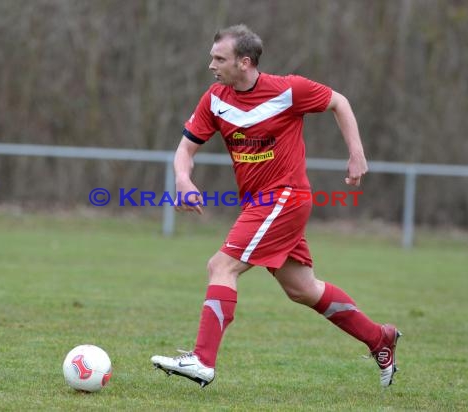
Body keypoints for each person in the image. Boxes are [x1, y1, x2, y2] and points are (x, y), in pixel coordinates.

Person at [151, 24, 401, 388]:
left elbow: (339, 102)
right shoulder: (214, 99)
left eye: (219, 58)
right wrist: (183, 179)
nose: (211, 65)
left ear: (245, 62)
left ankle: (202, 360)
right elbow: (185, 148)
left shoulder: (288, 90)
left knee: (221, 266)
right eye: (212, 57)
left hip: (284, 197)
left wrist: (357, 154)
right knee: (302, 288)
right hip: (260, 204)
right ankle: (380, 338)